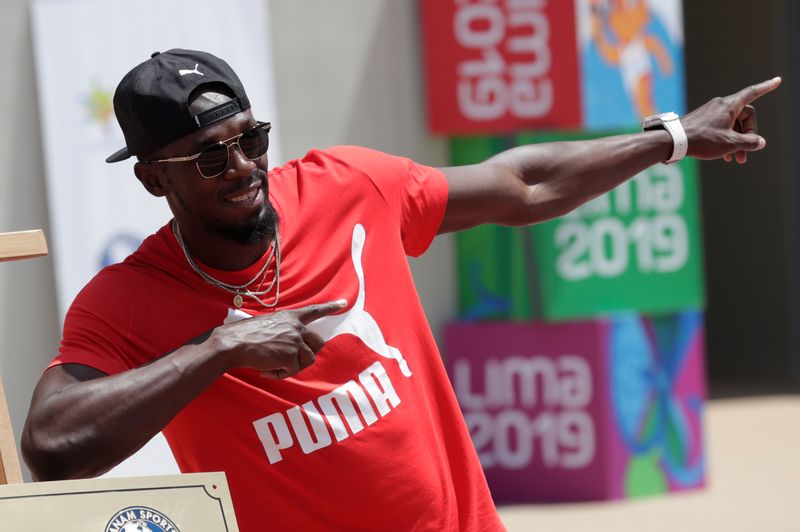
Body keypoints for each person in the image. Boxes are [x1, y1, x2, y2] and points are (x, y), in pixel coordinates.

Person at [21, 48, 779, 531]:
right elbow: (52, 447)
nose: (246, 170)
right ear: (154, 179)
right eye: (210, 159)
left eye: (251, 140)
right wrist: (220, 349)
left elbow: (520, 185)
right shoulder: (129, 299)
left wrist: (671, 139)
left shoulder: (346, 186)